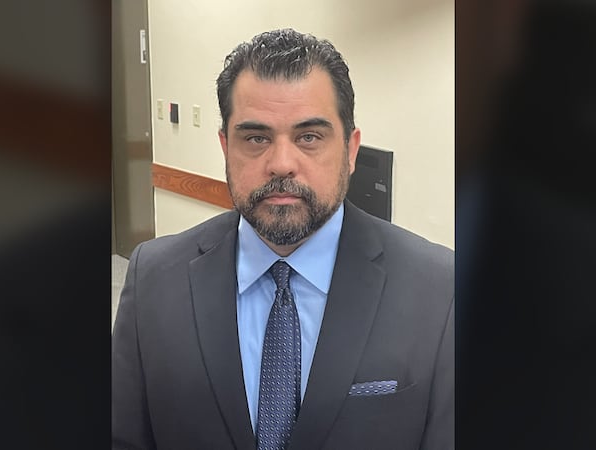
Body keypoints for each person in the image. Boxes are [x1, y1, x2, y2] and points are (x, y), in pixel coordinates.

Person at [112, 28, 454, 450]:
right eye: (256, 138)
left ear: (350, 151)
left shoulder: (439, 290)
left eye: (309, 137)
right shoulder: (153, 278)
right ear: (225, 147)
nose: (281, 163)